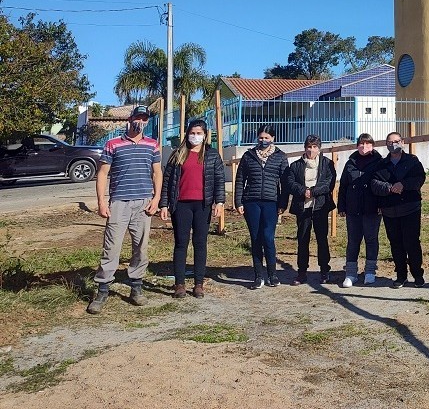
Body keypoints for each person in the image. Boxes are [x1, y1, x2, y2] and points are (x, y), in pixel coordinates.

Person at [87, 105, 162, 314]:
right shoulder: (113, 144)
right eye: (138, 118)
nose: (141, 122)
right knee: (111, 247)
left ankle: (136, 287)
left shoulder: (152, 144)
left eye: (145, 119)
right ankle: (102, 290)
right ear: (130, 119)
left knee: (141, 247)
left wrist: (156, 198)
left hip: (143, 203)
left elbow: (157, 173)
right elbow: (103, 173)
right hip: (119, 202)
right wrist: (101, 202)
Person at [158, 119, 226, 299]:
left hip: (203, 205)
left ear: (205, 135)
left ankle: (198, 284)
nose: (195, 136)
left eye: (199, 133)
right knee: (181, 243)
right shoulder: (177, 154)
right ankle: (179, 284)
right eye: (192, 133)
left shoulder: (212, 155)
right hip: (181, 205)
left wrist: (219, 202)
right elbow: (167, 181)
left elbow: (219, 180)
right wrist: (163, 204)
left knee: (200, 243)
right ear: (187, 134)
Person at [235, 125, 289, 289]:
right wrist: (238, 202)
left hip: (271, 202)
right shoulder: (248, 156)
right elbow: (240, 179)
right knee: (256, 238)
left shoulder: (280, 157)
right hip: (251, 202)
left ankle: (272, 274)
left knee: (268, 237)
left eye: (266, 137)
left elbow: (285, 183)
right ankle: (258, 276)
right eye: (261, 137)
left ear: (273, 138)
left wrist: (283, 204)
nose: (263, 140)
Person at [371, 132, 426, 289]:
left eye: (396, 141)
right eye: (390, 142)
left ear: (402, 142)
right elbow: (374, 183)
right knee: (395, 243)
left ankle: (418, 275)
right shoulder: (381, 164)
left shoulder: (412, 161)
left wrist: (404, 185)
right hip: (390, 210)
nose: (393, 144)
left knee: (412, 242)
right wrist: (389, 188)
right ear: (386, 144)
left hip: (410, 208)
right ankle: (401, 275)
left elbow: (420, 178)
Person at [284, 134, 337, 286]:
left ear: (319, 149)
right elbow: (290, 183)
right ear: (305, 148)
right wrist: (303, 191)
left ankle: (324, 270)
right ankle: (302, 272)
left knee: (322, 239)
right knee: (302, 240)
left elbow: (329, 182)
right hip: (303, 208)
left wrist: (313, 191)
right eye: (309, 147)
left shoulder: (327, 164)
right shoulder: (296, 165)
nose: (311, 150)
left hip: (320, 207)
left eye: (314, 147)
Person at [339, 133, 384, 288]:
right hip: (353, 209)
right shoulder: (350, 163)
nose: (364, 147)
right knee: (353, 241)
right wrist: (341, 206)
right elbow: (343, 186)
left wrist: (382, 204)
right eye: (361, 144)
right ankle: (351, 273)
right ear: (357, 145)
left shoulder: (379, 162)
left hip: (372, 208)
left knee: (371, 239)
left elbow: (383, 184)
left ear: (373, 146)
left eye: (368, 144)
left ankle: (370, 272)